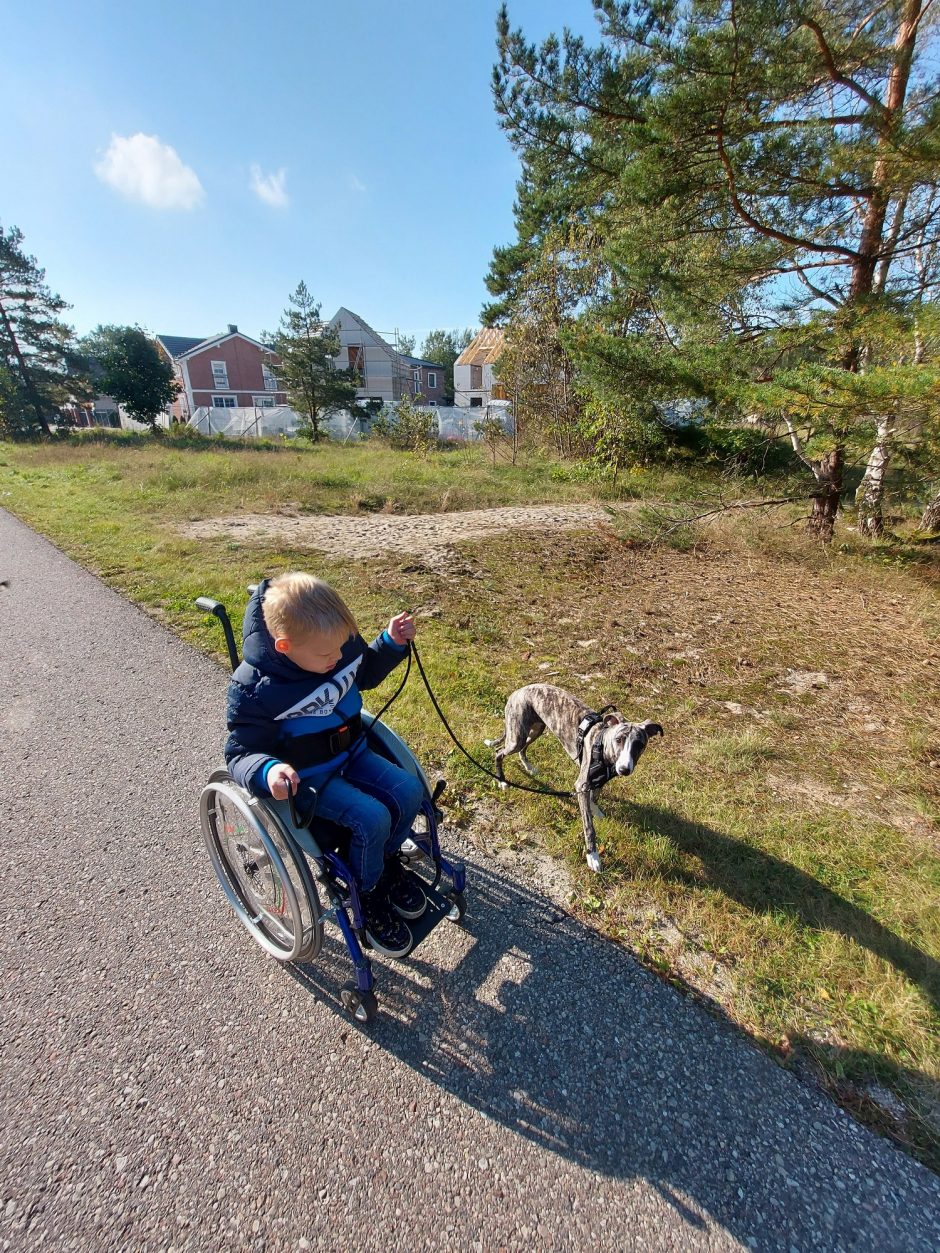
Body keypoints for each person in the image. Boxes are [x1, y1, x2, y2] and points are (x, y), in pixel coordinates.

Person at [225, 572, 426, 958]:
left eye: (340, 648)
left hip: (355, 751)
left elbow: (362, 671)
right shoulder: (256, 689)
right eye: (326, 655)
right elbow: (239, 753)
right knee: (372, 818)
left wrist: (389, 643)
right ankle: (364, 891)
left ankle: (383, 862)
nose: (337, 659)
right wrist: (267, 771)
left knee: (410, 790)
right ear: (285, 647)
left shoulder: (334, 644)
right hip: (311, 775)